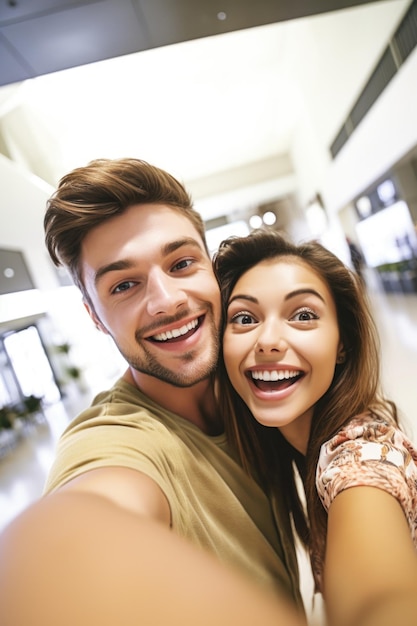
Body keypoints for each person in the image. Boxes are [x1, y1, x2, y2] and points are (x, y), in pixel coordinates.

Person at [0, 159, 306, 626]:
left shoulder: (257, 378)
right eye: (124, 285)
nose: (167, 301)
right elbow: (75, 534)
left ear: (211, 269)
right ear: (95, 316)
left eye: (181, 263)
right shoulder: (116, 442)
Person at [213, 228, 417, 626]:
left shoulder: (358, 458)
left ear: (344, 342)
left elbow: (380, 603)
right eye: (244, 318)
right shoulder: (300, 446)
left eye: (303, 315)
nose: (268, 340)